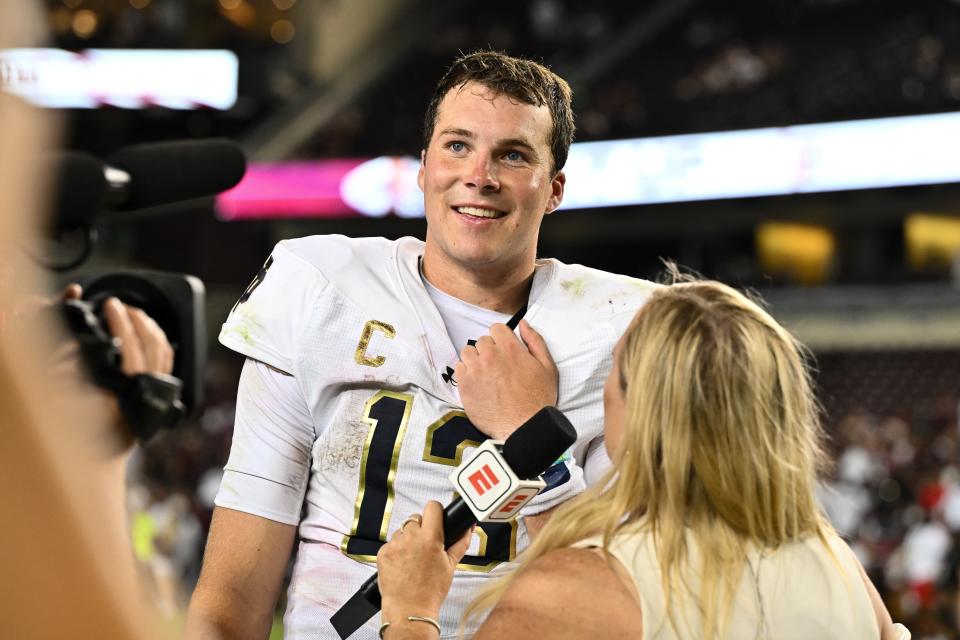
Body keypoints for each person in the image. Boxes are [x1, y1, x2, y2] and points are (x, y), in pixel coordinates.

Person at [184, 51, 656, 639]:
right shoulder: (320, 288)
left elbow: (619, 604)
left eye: (512, 154)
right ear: (423, 166)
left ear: (554, 189)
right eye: (458, 145)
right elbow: (232, 594)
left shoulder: (626, 328)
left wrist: (532, 433)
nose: (479, 174)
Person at [375, 280, 913, 639]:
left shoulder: (577, 589)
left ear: (639, 406)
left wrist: (412, 614)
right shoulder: (840, 570)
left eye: (614, 369)